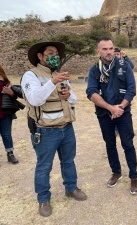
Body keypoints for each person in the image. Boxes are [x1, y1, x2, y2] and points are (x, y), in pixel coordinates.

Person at [21, 41, 87, 217]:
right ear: (40, 56)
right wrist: (52, 82)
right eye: (50, 53)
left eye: (56, 53)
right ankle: (43, 199)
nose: (55, 56)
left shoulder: (59, 75)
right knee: (44, 166)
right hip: (45, 131)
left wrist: (67, 95)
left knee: (69, 161)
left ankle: (71, 188)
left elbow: (73, 100)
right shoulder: (30, 76)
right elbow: (35, 100)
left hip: (67, 128)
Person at [86, 36, 137, 195]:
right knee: (110, 144)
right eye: (104, 49)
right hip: (104, 114)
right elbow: (91, 93)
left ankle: (133, 176)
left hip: (123, 113)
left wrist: (121, 107)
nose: (109, 52)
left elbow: (132, 89)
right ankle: (116, 172)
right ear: (98, 51)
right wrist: (111, 108)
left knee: (128, 144)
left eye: (111, 48)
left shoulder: (124, 65)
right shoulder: (94, 70)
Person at [0, 65, 22, 164]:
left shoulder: (5, 80)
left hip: (4, 112)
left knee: (6, 135)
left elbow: (14, 96)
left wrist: (10, 93)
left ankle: (10, 154)